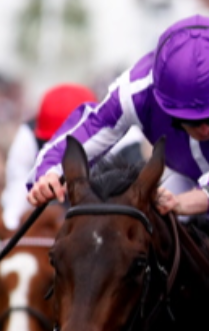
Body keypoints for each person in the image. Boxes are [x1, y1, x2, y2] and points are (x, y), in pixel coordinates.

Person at [26, 14, 209, 319]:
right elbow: (92, 125)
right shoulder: (137, 87)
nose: (206, 128)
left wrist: (187, 201)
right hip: (190, 174)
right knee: (151, 229)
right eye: (192, 120)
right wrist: (49, 171)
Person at [2, 83, 144, 231]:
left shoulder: (124, 140)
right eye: (52, 143)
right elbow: (14, 206)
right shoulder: (27, 138)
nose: (58, 155)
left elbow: (135, 205)